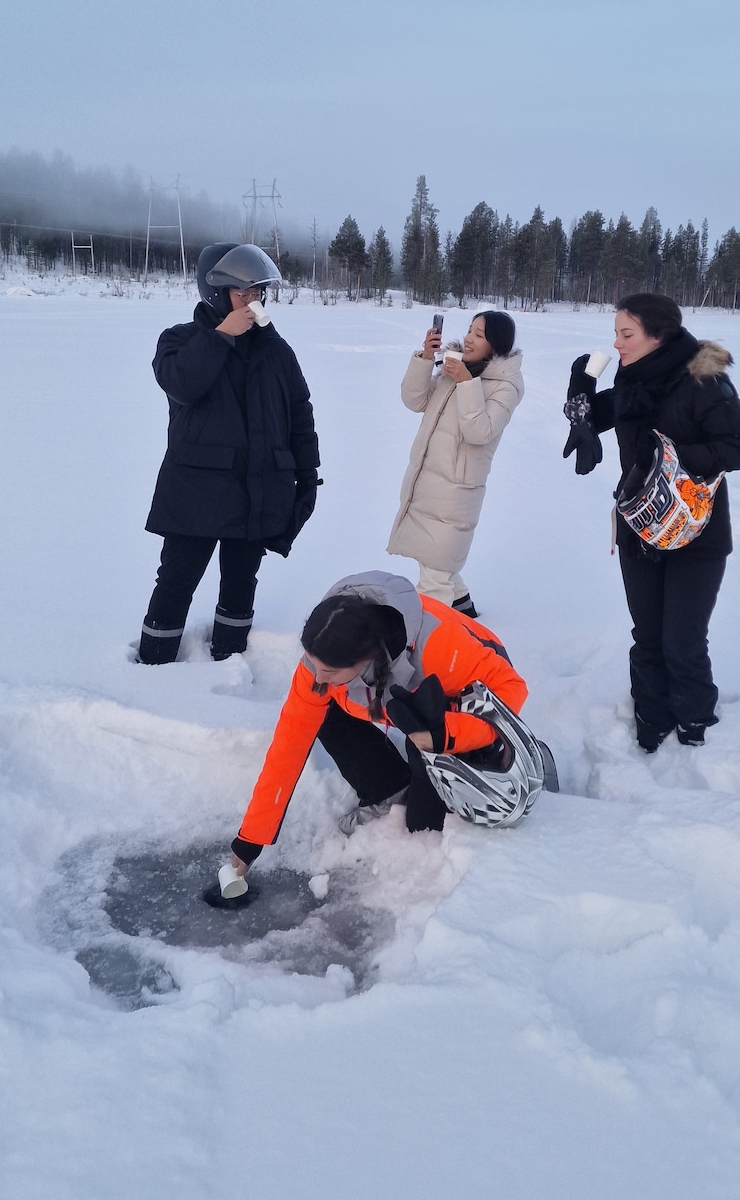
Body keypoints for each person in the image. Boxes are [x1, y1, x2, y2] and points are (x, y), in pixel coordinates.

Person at [227, 571, 553, 879]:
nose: (317, 675)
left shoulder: (439, 646)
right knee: (323, 711)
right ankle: (389, 789)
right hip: (401, 702)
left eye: (328, 670)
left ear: (365, 658)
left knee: (423, 829)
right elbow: (289, 743)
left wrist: (444, 735)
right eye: (312, 663)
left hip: (462, 695)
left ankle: (498, 754)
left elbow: (511, 688)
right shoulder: (323, 658)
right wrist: (251, 838)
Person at [563, 293, 740, 752]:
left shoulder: (702, 381)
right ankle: (650, 717)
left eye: (626, 334)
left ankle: (694, 722)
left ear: (658, 335)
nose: (617, 343)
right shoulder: (635, 379)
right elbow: (599, 413)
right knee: (647, 635)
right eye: (616, 333)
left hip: (695, 530)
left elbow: (738, 447)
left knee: (682, 640)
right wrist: (581, 399)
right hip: (639, 526)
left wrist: (670, 460)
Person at [137, 243, 320, 665]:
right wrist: (221, 338)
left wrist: (307, 476)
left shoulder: (276, 350)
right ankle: (152, 666)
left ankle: (229, 660)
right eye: (244, 293)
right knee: (177, 580)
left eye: (258, 292)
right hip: (195, 494)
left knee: (241, 582)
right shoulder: (180, 340)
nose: (253, 301)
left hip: (256, 491)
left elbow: (299, 415)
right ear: (216, 292)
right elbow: (183, 384)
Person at [386, 311, 523, 618]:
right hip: (427, 480)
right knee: (435, 559)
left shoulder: (505, 385)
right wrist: (425, 357)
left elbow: (480, 432)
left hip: (456, 492)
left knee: (435, 571)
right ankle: (462, 606)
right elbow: (415, 401)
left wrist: (466, 382)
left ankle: (426, 640)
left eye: (479, 334)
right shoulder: (456, 366)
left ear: (496, 344)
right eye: (470, 330)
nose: (469, 338)